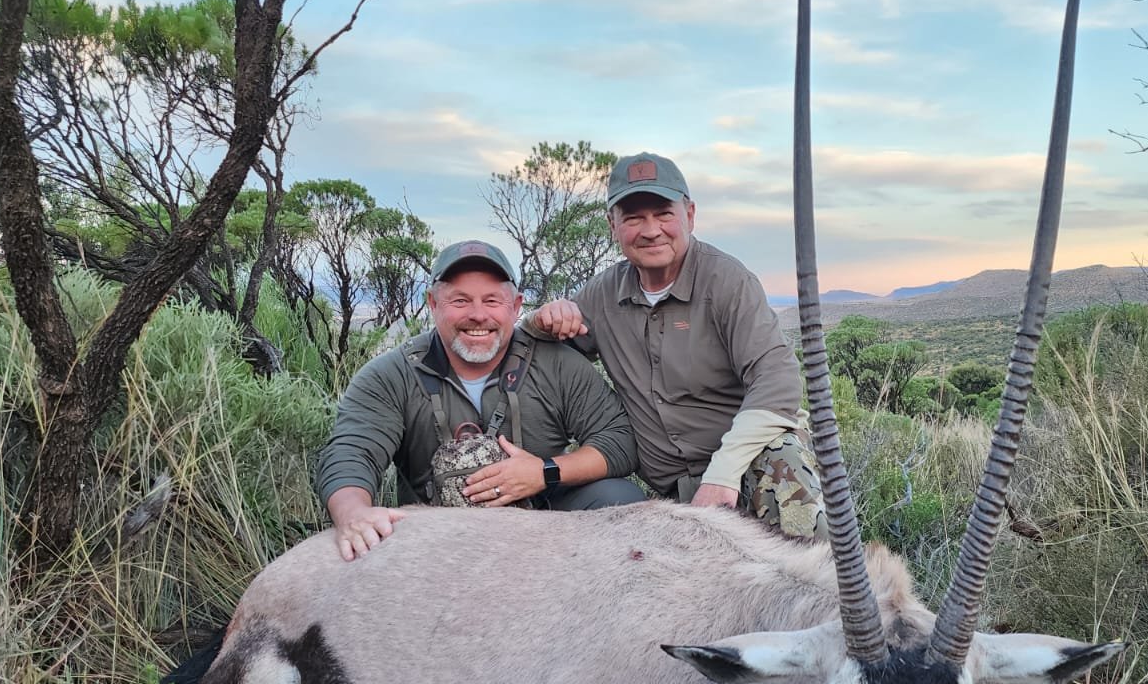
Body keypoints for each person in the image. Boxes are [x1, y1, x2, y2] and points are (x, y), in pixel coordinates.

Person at [529, 153, 824, 539]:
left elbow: (778, 381)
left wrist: (723, 473)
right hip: (668, 490)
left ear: (690, 213)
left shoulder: (727, 281)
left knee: (794, 508)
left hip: (747, 464)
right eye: (633, 217)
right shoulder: (602, 294)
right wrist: (540, 320)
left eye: (663, 213)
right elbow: (549, 347)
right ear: (613, 225)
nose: (651, 230)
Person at [318, 239, 643, 560]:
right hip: (436, 533)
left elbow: (618, 440)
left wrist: (543, 472)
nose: (477, 315)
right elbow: (351, 453)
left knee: (618, 497)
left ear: (515, 306)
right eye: (460, 301)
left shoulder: (557, 363)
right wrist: (354, 514)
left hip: (545, 524)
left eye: (492, 301)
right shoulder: (390, 374)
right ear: (433, 303)